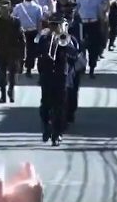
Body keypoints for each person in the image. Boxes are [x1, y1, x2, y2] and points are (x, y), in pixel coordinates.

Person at [37, 13, 79, 146]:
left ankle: (57, 134)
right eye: (52, 25)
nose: (55, 28)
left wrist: (64, 44)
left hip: (62, 77)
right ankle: (46, 126)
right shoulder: (44, 38)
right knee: (45, 105)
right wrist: (50, 43)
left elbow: (75, 56)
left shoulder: (69, 39)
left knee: (60, 107)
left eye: (57, 25)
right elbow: (38, 52)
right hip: (47, 76)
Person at [0, 1, 26, 103]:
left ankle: (11, 91)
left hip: (13, 52)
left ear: (9, 11)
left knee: (12, 75)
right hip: (0, 51)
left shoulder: (16, 22)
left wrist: (23, 54)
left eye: (5, 10)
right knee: (2, 75)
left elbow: (22, 38)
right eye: (2, 10)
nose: (3, 12)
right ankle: (3, 95)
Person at [12, 0, 43, 77]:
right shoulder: (18, 7)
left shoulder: (38, 8)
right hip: (20, 31)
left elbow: (39, 21)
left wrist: (39, 33)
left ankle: (29, 69)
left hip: (32, 32)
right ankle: (20, 66)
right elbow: (14, 19)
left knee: (31, 52)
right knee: (20, 50)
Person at [76, 0, 103, 79]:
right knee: (81, 47)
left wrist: (102, 24)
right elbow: (76, 10)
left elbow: (100, 13)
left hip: (94, 24)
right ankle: (81, 67)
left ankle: (92, 69)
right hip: (82, 24)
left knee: (93, 48)